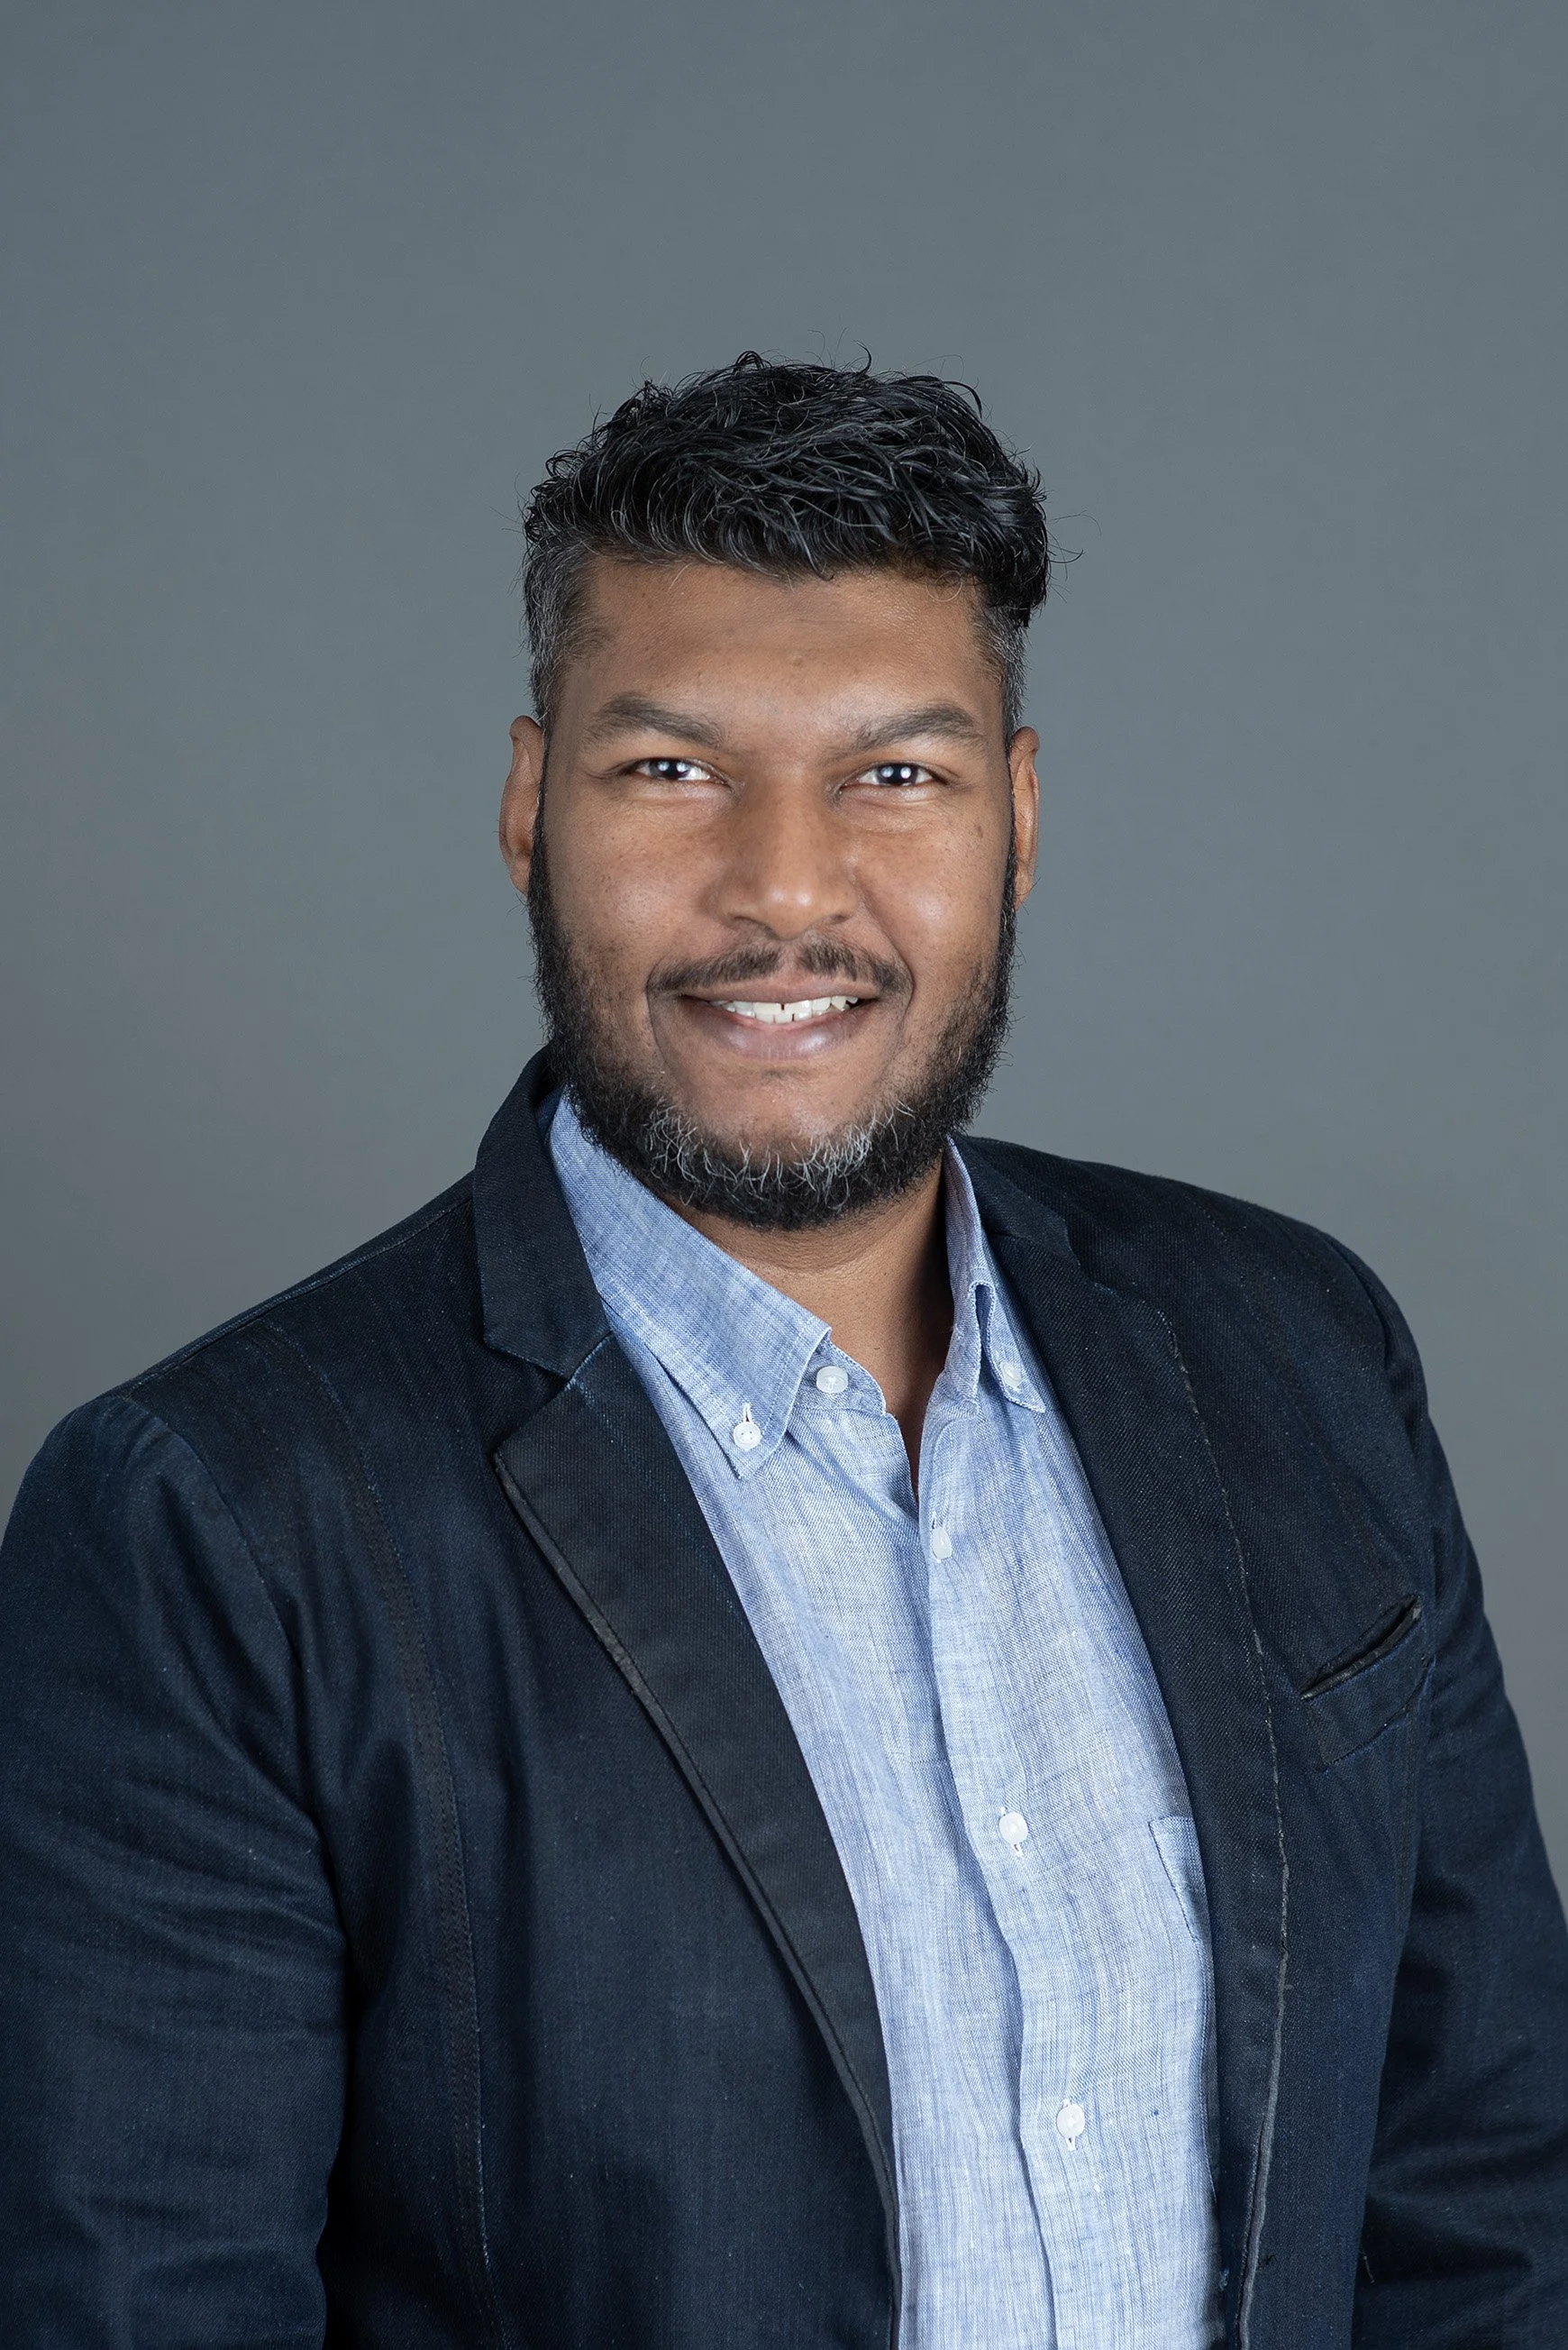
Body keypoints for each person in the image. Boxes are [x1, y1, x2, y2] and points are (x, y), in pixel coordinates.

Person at [2, 355, 1564, 2350]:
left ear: (1017, 811)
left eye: (893, 773)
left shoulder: (1299, 1351)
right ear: (523, 805)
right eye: (671, 769)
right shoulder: (212, 1528)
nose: (787, 889)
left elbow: (1491, 2201)